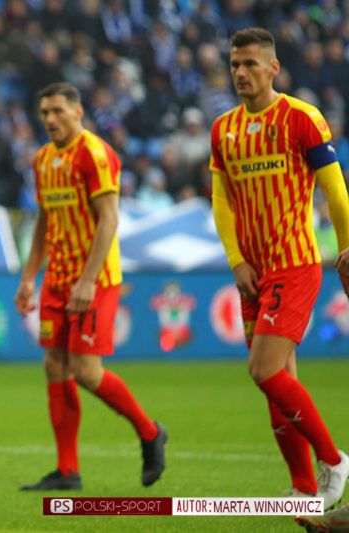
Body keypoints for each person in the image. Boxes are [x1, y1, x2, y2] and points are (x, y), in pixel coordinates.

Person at [210, 28, 349, 508]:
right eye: (235, 64)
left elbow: (335, 190)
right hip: (252, 272)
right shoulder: (222, 129)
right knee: (278, 382)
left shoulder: (301, 118)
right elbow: (221, 200)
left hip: (294, 263)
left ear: (273, 67)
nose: (241, 72)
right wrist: (236, 261)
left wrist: (347, 249)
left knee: (263, 370)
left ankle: (333, 459)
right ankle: (303, 488)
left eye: (250, 64)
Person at [15, 82, 167, 491]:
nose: (50, 119)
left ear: (78, 112)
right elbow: (44, 222)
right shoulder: (43, 159)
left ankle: (150, 432)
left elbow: (109, 219)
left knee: (85, 371)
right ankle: (67, 470)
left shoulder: (95, 154)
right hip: (57, 279)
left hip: (94, 280)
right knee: (54, 365)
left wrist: (86, 280)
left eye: (58, 111)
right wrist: (29, 277)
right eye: (44, 113)